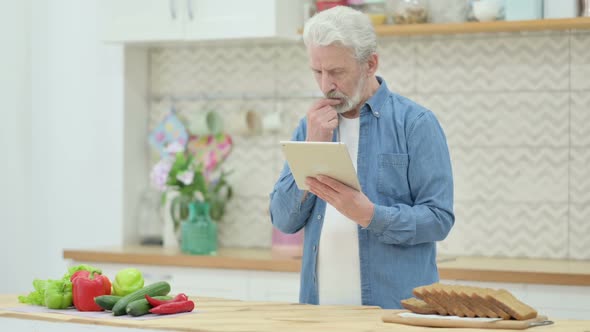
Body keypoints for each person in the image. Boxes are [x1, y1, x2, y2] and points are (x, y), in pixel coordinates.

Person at [268, 6, 454, 309]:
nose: (326, 84)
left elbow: (439, 219)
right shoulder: (311, 125)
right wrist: (314, 143)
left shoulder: (416, 124)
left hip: (394, 314)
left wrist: (369, 215)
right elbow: (283, 219)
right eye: (317, 72)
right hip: (319, 313)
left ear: (370, 64)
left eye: (337, 72)